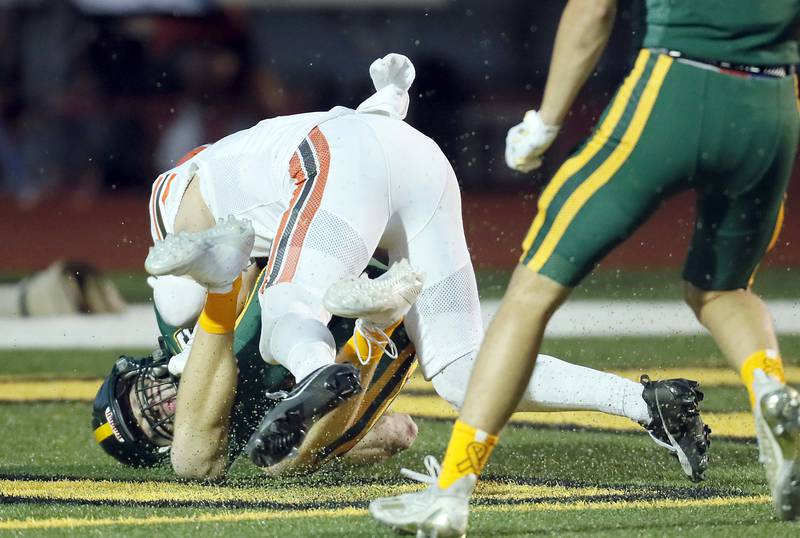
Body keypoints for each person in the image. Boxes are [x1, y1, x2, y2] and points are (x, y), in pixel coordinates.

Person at [143, 53, 708, 481]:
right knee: (463, 369)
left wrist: (188, 349)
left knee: (288, 301)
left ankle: (318, 368)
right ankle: (642, 403)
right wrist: (389, 99)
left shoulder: (172, 202)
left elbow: (193, 271)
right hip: (416, 161)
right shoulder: (233, 159)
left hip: (336, 160)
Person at [368, 1, 800, 534]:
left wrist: (545, 122)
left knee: (530, 293)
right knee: (725, 289)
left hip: (678, 85)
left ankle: (452, 492)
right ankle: (769, 389)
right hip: (772, 103)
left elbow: (594, 11)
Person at [91, 259, 420, 476]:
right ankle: (378, 325)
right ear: (165, 448)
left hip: (315, 270)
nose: (159, 409)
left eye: (139, 402)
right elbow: (400, 432)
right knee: (281, 461)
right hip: (376, 323)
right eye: (150, 427)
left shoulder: (179, 326)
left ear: (140, 373)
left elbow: (245, 261)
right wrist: (327, 453)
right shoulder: (235, 440)